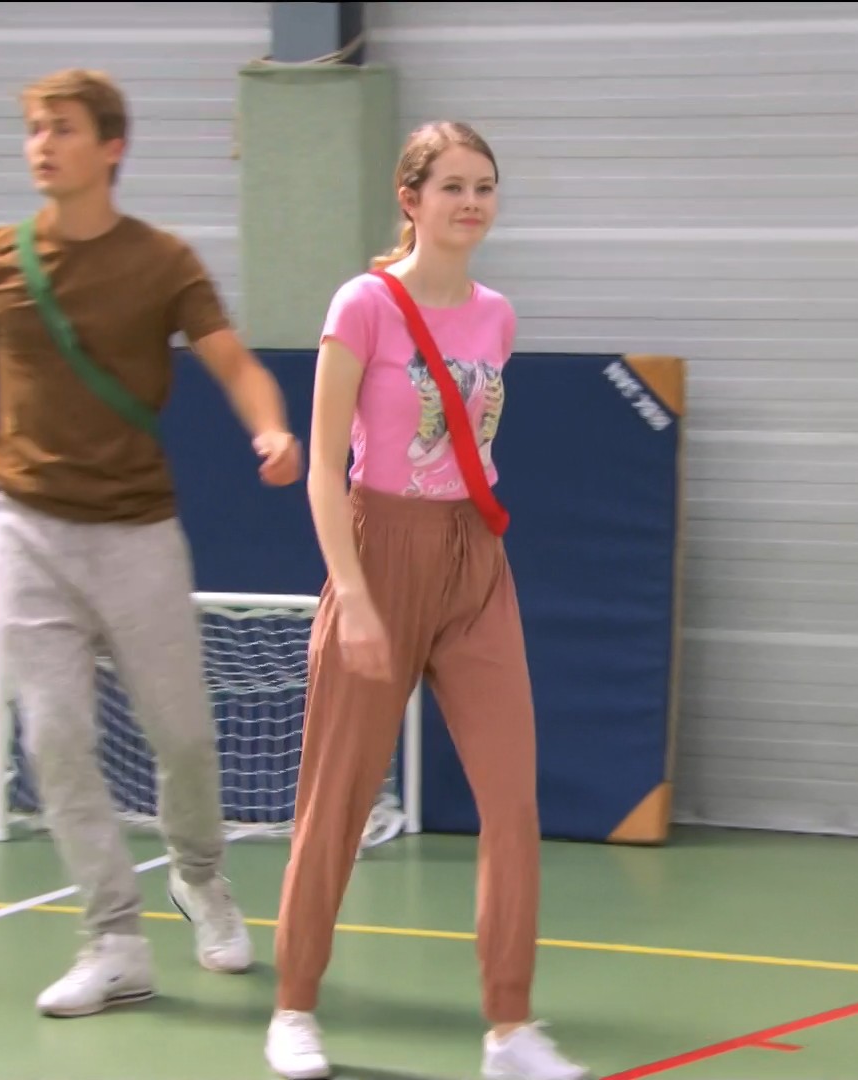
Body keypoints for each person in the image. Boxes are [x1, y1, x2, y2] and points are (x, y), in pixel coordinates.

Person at [0, 68, 302, 1018]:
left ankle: (200, 876)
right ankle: (114, 939)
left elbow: (235, 363)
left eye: (62, 128)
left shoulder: (163, 261)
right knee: (55, 738)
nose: (43, 143)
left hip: (137, 534)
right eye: (34, 128)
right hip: (25, 531)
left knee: (183, 735)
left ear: (112, 147)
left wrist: (271, 429)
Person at [263, 122, 589, 1080]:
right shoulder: (362, 305)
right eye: (452, 186)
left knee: (512, 801)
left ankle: (510, 1030)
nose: (472, 203)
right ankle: (293, 1008)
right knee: (336, 800)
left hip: (475, 561)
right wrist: (355, 599)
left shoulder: (497, 317)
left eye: (484, 186)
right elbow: (325, 470)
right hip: (378, 552)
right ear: (410, 199)